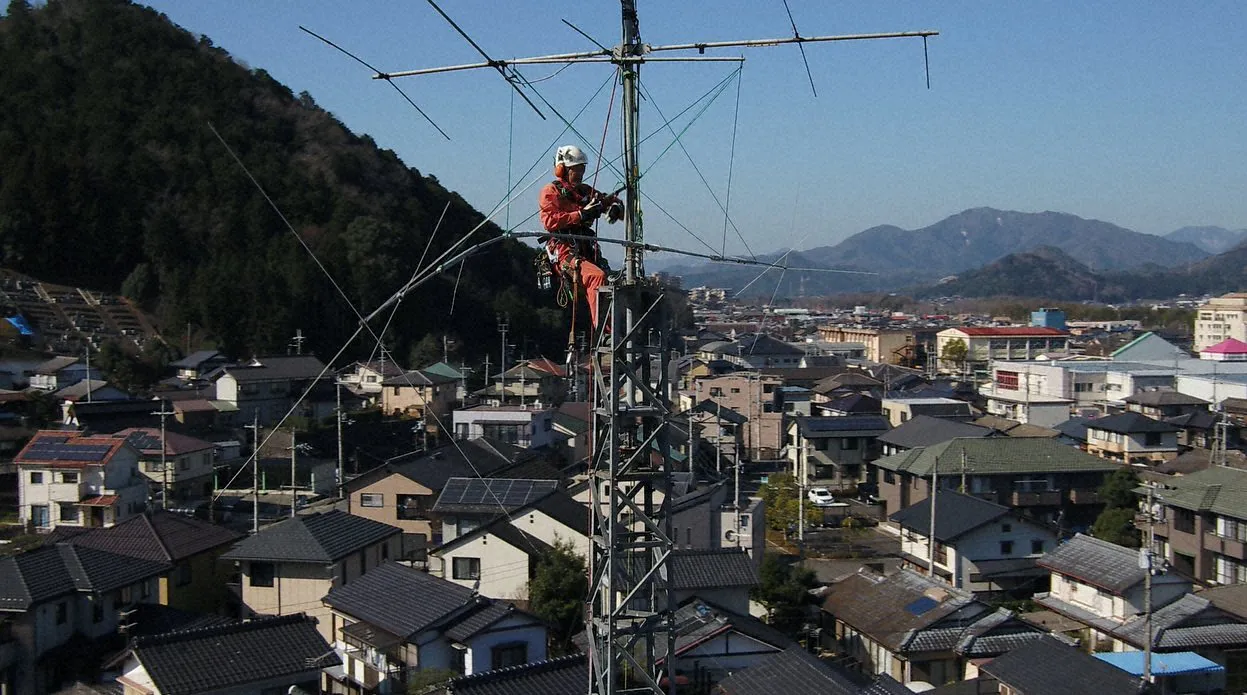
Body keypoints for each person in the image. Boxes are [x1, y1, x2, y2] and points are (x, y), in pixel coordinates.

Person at [538, 145, 623, 329]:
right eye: (577, 169)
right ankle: (604, 332)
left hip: (586, 249)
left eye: (582, 168)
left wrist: (615, 207)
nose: (581, 173)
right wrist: (581, 215)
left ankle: (615, 329)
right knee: (597, 277)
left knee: (615, 282)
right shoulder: (551, 191)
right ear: (563, 169)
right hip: (565, 250)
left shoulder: (584, 191)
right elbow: (550, 222)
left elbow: (606, 201)